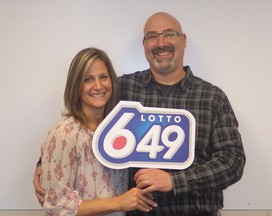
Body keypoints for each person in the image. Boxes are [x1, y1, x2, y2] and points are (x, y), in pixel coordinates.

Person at [34, 12, 246, 216]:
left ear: (183, 40)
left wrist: (174, 181)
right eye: (152, 36)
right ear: (144, 45)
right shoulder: (121, 90)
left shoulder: (212, 98)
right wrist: (43, 166)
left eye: (169, 34)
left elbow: (232, 162)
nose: (161, 43)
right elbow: (85, 129)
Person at [38, 47, 157, 216]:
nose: (98, 86)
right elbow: (57, 206)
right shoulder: (65, 134)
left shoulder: (117, 130)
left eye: (103, 77)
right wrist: (119, 202)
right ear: (75, 85)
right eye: (88, 79)